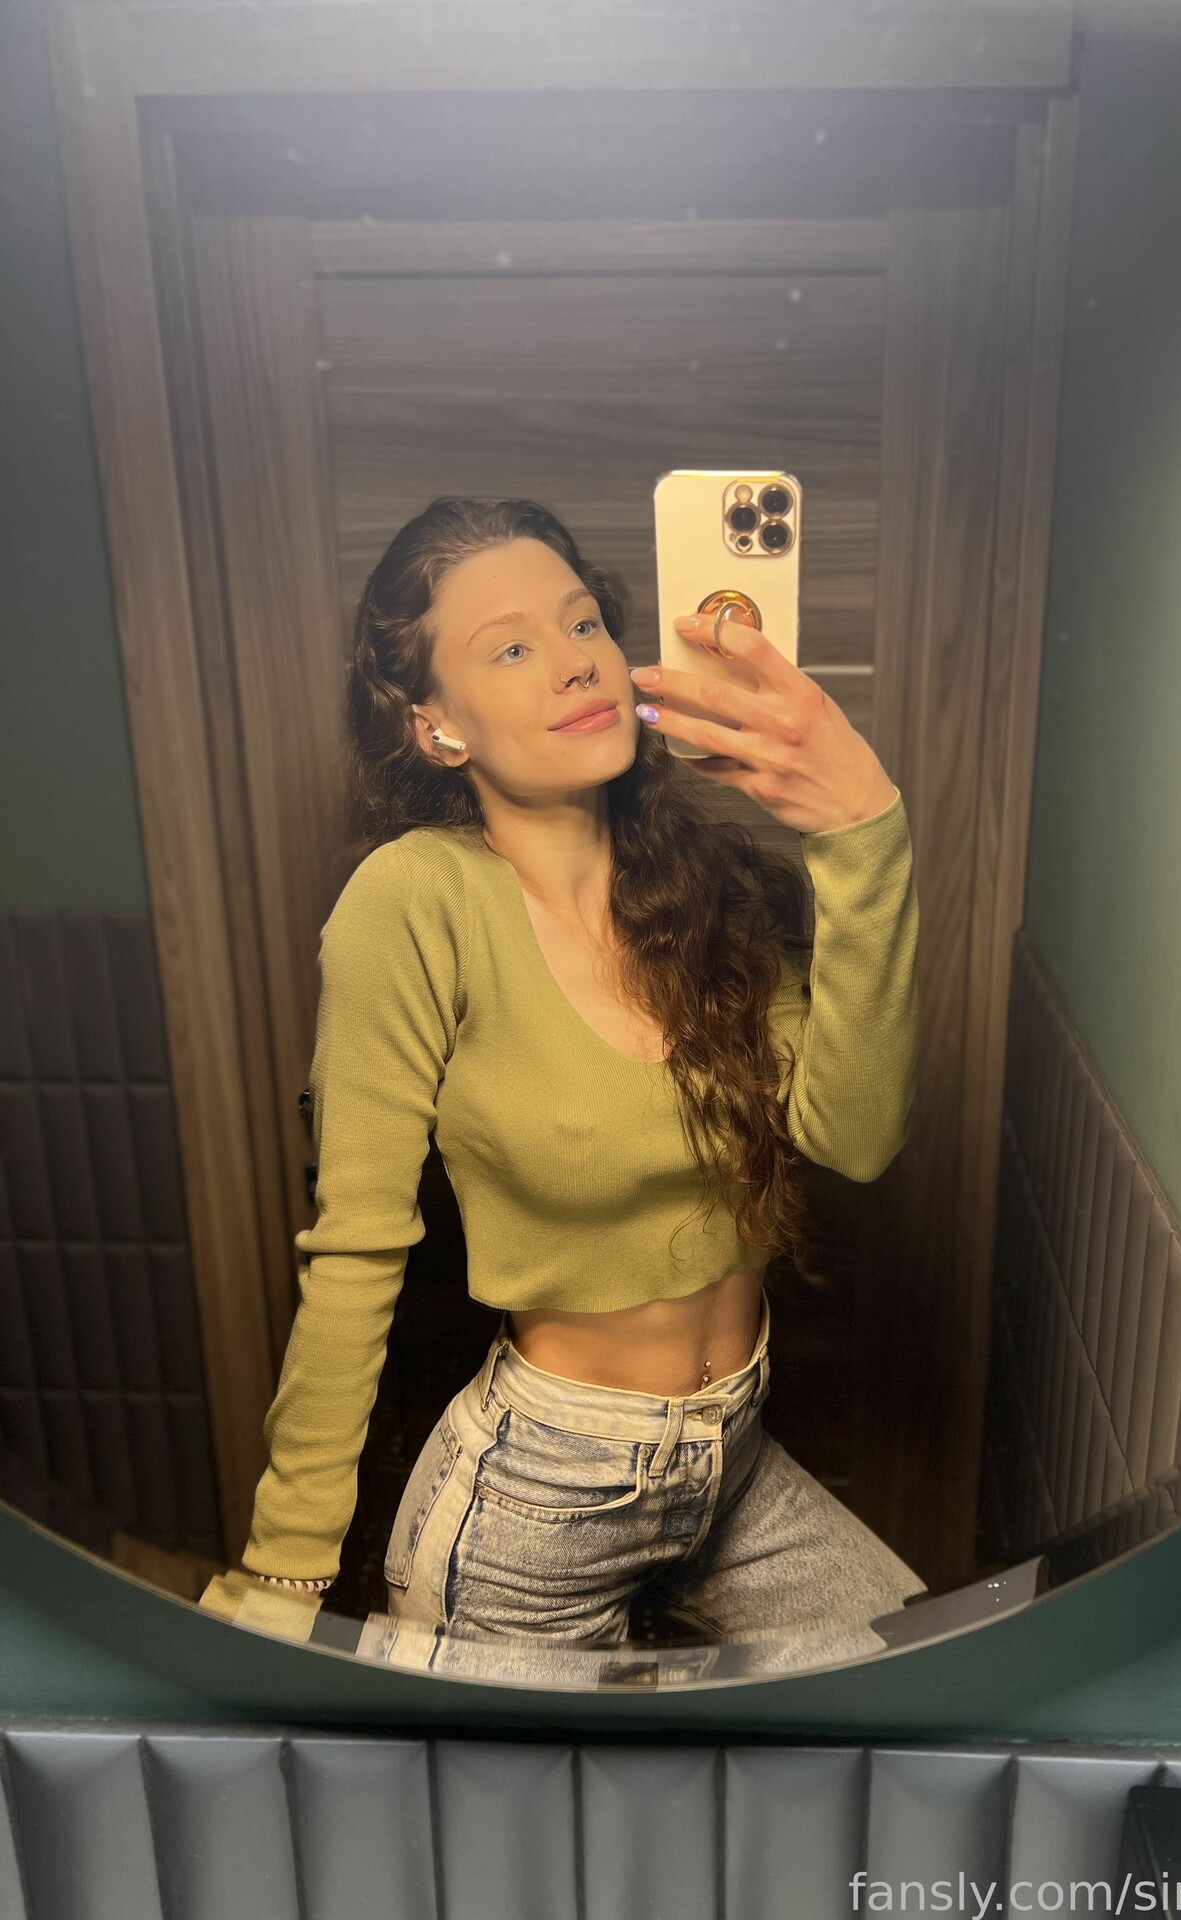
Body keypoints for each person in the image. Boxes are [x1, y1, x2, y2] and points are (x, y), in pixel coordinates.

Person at [200, 496, 926, 1649]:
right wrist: (282, 1578)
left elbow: (857, 1135)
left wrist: (865, 830)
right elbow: (354, 1252)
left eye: (583, 624)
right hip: (536, 1499)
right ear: (436, 727)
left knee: (921, 1692)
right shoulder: (411, 903)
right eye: (512, 648)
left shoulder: (706, 890)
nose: (575, 662)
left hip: (733, 1464)